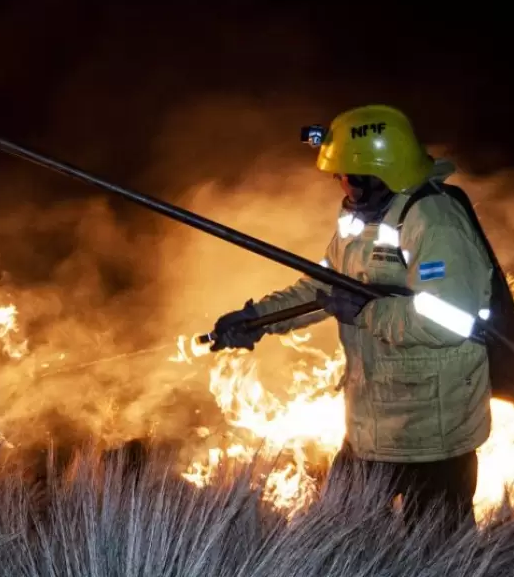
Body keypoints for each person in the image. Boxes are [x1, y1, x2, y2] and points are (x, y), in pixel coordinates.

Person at [209, 104, 493, 540]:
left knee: (439, 555)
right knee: (335, 541)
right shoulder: (358, 223)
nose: (339, 183)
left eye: (345, 175)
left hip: (432, 440)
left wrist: (366, 312)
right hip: (371, 431)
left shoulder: (435, 223)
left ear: (376, 174)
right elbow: (322, 288)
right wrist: (259, 319)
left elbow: (450, 320)